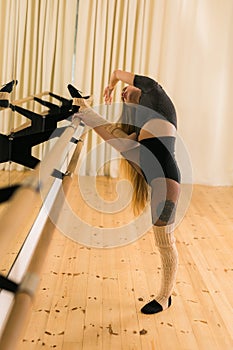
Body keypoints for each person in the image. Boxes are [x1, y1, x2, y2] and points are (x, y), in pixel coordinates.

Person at [74, 69, 181, 314]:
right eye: (124, 97)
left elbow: (126, 76)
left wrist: (112, 83)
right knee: (163, 240)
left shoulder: (158, 102)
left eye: (129, 91)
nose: (125, 93)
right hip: (156, 180)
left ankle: (165, 297)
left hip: (167, 182)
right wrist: (86, 113)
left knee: (165, 242)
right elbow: (117, 140)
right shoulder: (141, 129)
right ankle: (166, 296)